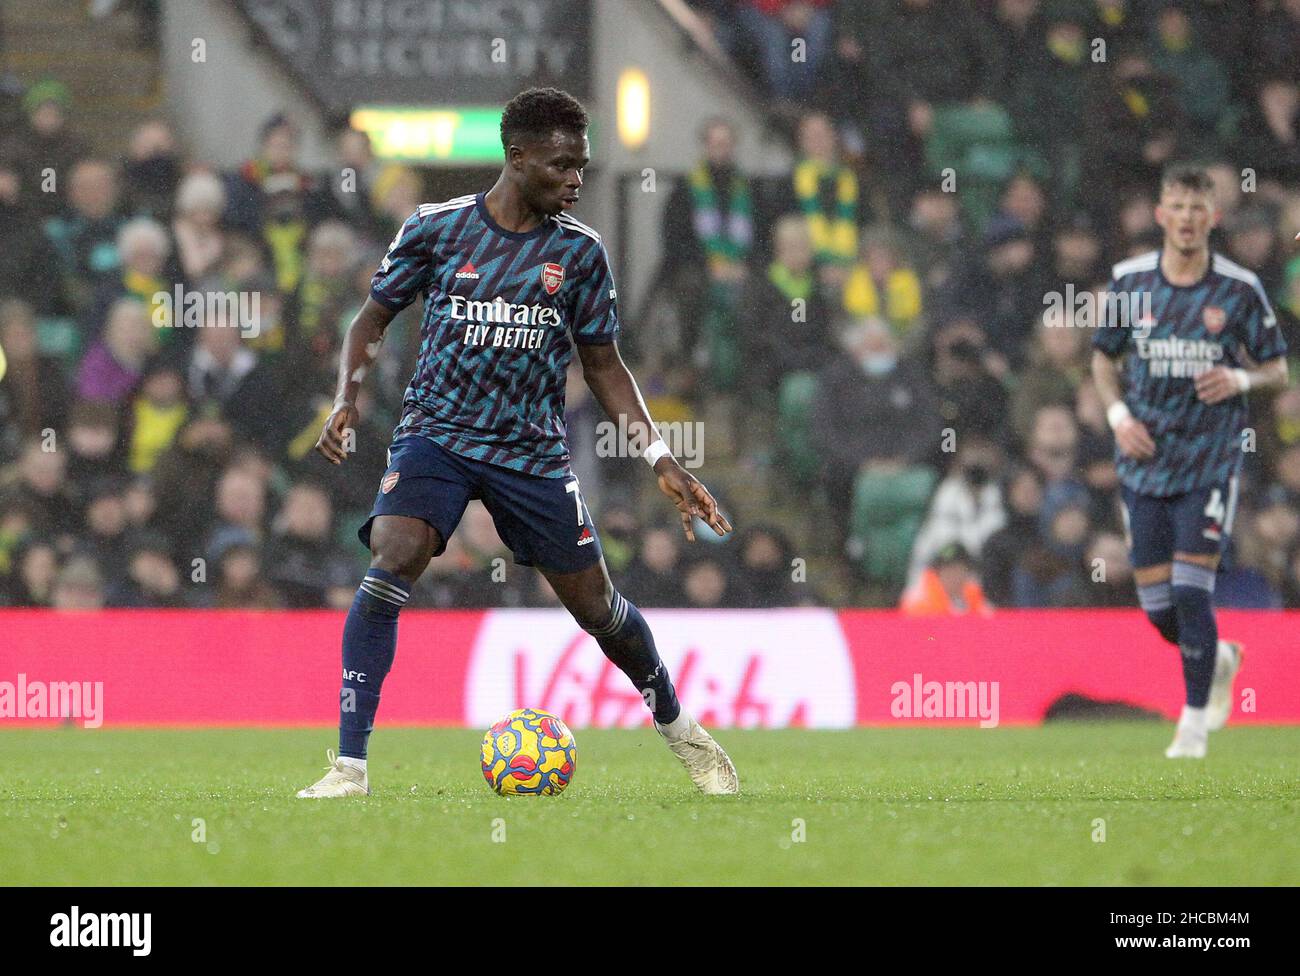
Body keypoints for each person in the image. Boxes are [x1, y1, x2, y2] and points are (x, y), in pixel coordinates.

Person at [297, 88, 738, 799]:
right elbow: (368, 321)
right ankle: (349, 766)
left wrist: (661, 457)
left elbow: (603, 366)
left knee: (598, 610)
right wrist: (346, 398)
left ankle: (684, 733)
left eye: (583, 168)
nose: (574, 181)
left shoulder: (581, 254)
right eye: (562, 166)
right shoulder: (436, 229)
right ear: (517, 157)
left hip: (531, 450)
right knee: (394, 554)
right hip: (435, 435)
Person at [1091, 164, 1290, 759]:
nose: (1186, 218)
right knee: (1158, 609)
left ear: (1213, 217)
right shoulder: (1129, 283)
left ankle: (1194, 724)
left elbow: (1278, 368)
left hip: (1209, 460)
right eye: (1176, 207)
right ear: (1160, 216)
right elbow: (1103, 359)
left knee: (1191, 588)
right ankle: (1220, 658)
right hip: (1145, 461)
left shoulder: (1238, 289)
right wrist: (1118, 418)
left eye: (1197, 208)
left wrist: (1238, 377)